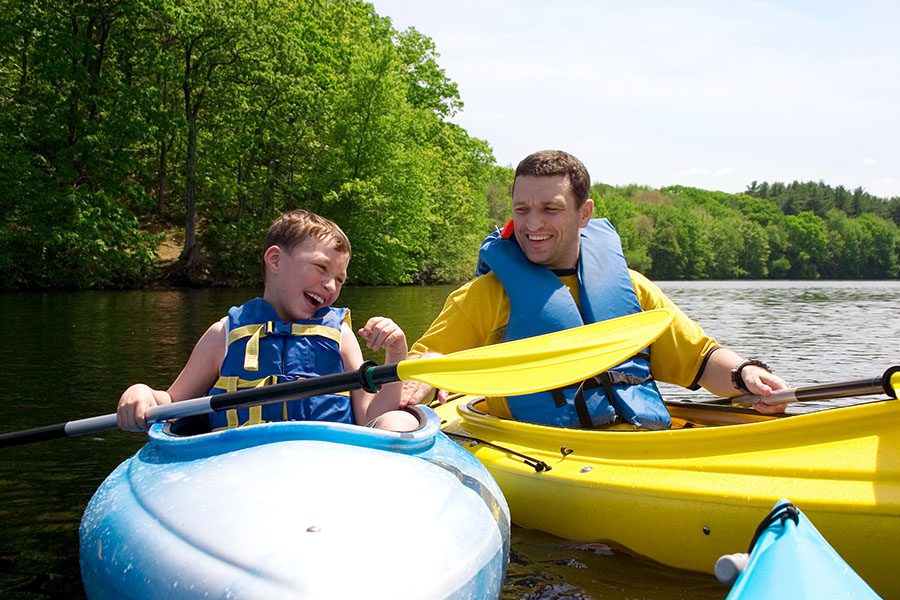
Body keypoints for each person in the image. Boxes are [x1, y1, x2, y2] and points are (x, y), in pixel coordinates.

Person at [401, 150, 788, 430]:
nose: (532, 224)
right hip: (543, 448)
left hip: (639, 439)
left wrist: (747, 374)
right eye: (522, 210)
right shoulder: (486, 295)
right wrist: (423, 375)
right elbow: (428, 360)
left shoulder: (633, 289)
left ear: (584, 213)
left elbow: (700, 360)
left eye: (549, 209)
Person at [117, 209, 418, 433]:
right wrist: (142, 392)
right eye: (321, 268)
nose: (331, 286)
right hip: (246, 463)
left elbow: (369, 417)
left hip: (327, 459)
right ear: (274, 260)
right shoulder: (223, 335)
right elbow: (170, 402)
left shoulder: (340, 335)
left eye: (339, 279)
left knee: (399, 421)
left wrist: (395, 355)